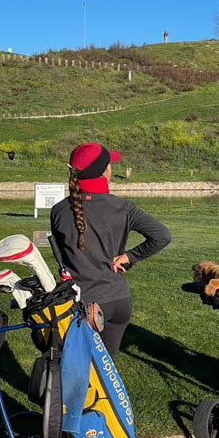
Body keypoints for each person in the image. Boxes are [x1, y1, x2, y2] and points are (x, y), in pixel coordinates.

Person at [50, 142, 171, 358]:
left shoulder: (58, 212)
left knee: (78, 370)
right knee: (106, 371)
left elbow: (62, 258)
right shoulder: (123, 207)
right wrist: (129, 257)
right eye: (109, 164)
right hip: (118, 300)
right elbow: (162, 236)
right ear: (105, 172)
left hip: (83, 303)